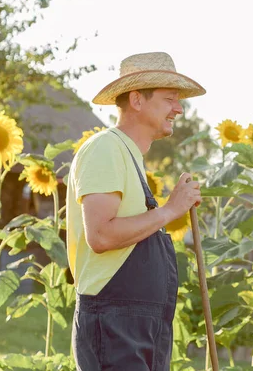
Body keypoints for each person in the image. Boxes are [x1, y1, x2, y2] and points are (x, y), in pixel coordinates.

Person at [66, 52, 205, 370]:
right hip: (115, 323)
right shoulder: (105, 148)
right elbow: (100, 235)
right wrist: (171, 209)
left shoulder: (129, 157)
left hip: (137, 325)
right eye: (170, 98)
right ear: (137, 100)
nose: (179, 109)